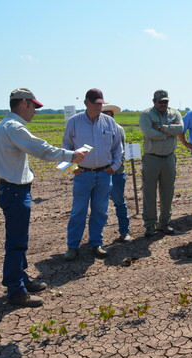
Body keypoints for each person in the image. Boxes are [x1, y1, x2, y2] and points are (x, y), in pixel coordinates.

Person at [0, 88, 87, 307]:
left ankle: (20, 279)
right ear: (23, 104)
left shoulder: (1, 125)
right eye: (34, 107)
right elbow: (41, 149)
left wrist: (4, 170)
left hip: (8, 189)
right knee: (16, 244)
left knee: (18, 241)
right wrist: (71, 155)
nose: (36, 112)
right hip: (15, 191)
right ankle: (16, 292)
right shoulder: (14, 127)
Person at [62, 89, 123, 260]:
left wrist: (115, 165)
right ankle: (72, 247)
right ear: (86, 103)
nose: (99, 107)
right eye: (95, 104)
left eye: (101, 104)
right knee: (78, 212)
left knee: (100, 211)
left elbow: (118, 147)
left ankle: (96, 243)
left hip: (104, 174)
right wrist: (72, 167)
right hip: (83, 174)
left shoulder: (109, 123)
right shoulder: (74, 122)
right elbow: (66, 147)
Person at [139, 90, 184, 237]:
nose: (163, 104)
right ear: (154, 102)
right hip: (152, 158)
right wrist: (168, 134)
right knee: (149, 193)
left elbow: (181, 128)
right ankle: (150, 225)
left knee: (168, 192)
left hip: (169, 158)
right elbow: (149, 133)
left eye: (166, 102)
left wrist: (162, 128)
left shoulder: (175, 113)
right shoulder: (146, 114)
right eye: (160, 102)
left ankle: (165, 223)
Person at [102, 104, 132, 243]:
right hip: (100, 172)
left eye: (110, 114)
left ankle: (124, 232)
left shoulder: (118, 129)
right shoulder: (95, 130)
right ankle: (96, 237)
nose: (108, 116)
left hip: (116, 173)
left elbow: (121, 153)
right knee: (98, 206)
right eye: (105, 113)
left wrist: (113, 167)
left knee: (119, 202)